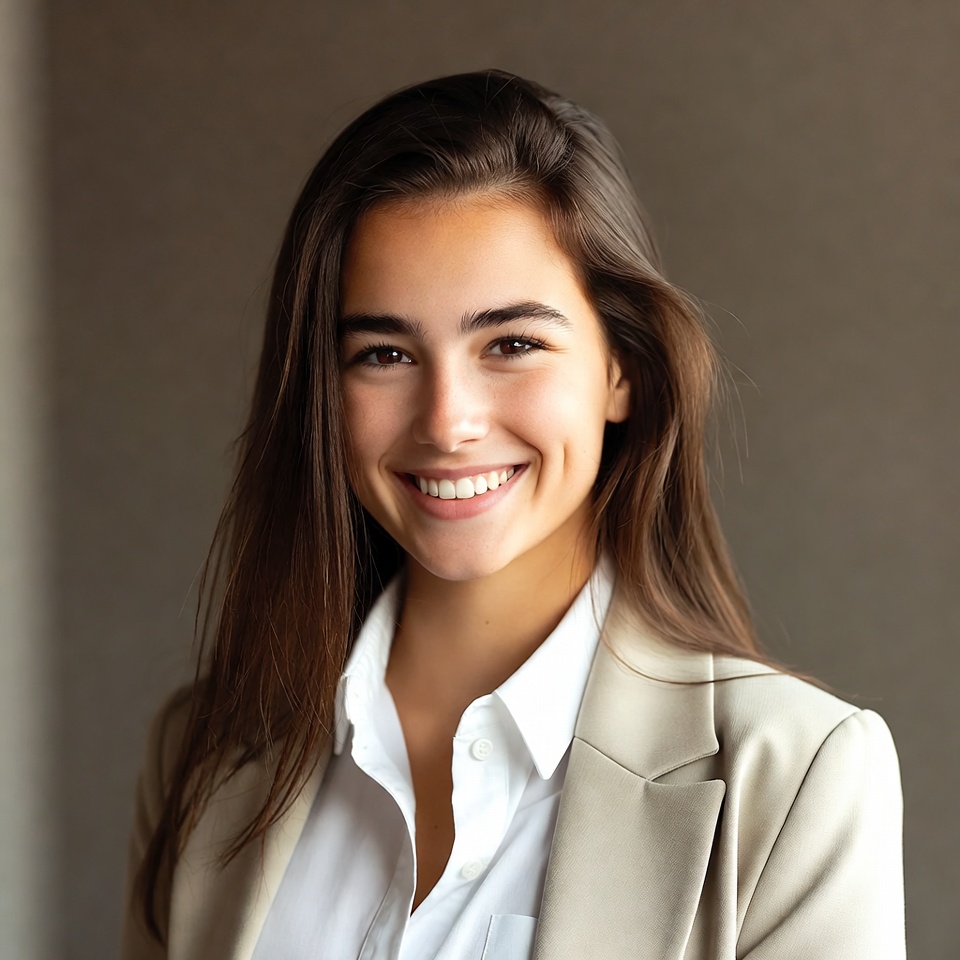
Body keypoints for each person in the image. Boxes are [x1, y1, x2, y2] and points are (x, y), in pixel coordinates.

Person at [119, 70, 904, 960]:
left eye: (513, 344)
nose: (448, 420)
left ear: (621, 372)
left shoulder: (794, 775)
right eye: (383, 353)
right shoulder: (203, 755)